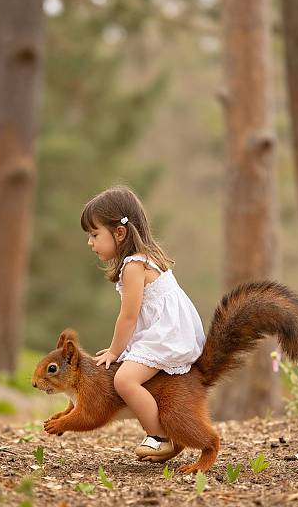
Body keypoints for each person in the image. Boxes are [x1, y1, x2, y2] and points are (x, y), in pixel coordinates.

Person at [81, 185, 206, 459]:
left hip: (168, 335)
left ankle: (160, 437)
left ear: (120, 232)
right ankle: (166, 433)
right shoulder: (144, 259)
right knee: (129, 374)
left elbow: (129, 315)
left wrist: (115, 352)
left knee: (124, 380)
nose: (90, 243)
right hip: (167, 330)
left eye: (94, 235)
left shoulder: (134, 267)